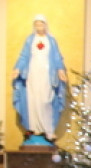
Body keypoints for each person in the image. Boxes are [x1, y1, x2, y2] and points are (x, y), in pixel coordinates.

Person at [11, 15, 67, 143]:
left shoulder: (51, 41)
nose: (39, 27)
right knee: (33, 100)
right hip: (33, 74)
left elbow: (57, 57)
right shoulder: (30, 40)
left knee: (46, 100)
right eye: (37, 24)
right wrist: (17, 69)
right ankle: (35, 128)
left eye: (41, 24)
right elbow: (24, 56)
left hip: (47, 75)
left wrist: (60, 70)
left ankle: (48, 130)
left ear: (45, 25)